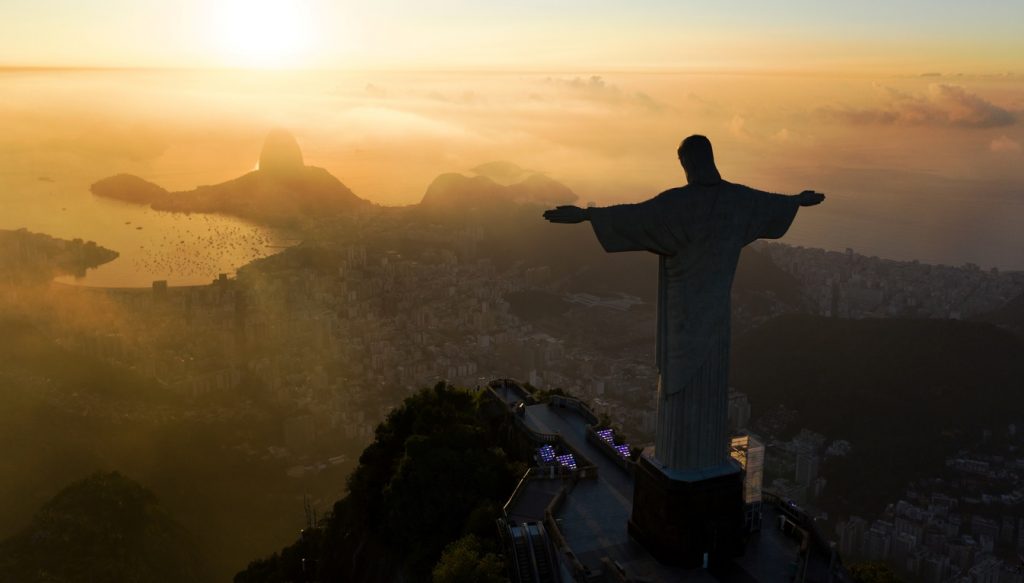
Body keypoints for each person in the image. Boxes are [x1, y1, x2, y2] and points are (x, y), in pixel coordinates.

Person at [543, 135, 824, 473]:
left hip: (683, 313)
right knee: (706, 381)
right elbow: (771, 204)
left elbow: (637, 217)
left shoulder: (679, 204)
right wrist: (798, 200)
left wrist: (588, 215)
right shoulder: (738, 200)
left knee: (682, 382)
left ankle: (684, 463)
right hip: (717, 312)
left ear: (689, 163)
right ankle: (697, 461)